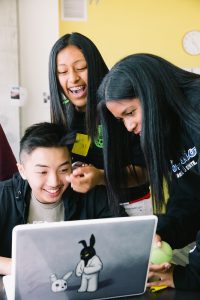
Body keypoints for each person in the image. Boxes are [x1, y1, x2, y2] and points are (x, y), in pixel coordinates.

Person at [97, 53, 200, 289]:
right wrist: (159, 234)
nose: (129, 126)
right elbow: (189, 199)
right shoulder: (170, 128)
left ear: (151, 93)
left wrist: (192, 276)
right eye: (121, 119)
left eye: (130, 112)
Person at [49, 32, 149, 214]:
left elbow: (145, 172)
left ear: (95, 67)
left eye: (81, 67)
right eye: (62, 72)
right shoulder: (63, 112)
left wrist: (101, 177)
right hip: (88, 208)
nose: (72, 78)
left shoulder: (119, 105)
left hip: (133, 205)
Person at [0, 122, 113, 276]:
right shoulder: (4, 195)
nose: (54, 182)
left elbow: (121, 236)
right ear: (22, 171)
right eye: (42, 172)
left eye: (63, 170)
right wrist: (16, 267)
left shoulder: (89, 195)